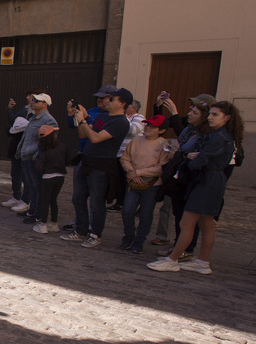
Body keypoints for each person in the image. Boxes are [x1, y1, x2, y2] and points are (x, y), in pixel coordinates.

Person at [148, 101, 243, 274]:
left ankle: (173, 260)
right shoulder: (219, 135)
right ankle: (202, 262)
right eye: (210, 114)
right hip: (209, 181)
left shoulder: (220, 137)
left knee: (187, 223)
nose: (210, 117)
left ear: (227, 118)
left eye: (215, 114)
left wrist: (193, 158)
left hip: (208, 182)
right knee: (206, 223)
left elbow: (201, 160)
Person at [62, 87, 132, 247]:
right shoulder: (103, 116)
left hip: (102, 165)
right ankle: (80, 230)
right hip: (86, 160)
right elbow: (83, 134)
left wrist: (84, 120)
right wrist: (79, 117)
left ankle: (95, 234)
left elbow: (95, 138)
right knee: (78, 198)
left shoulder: (121, 122)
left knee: (96, 202)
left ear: (123, 104)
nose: (107, 101)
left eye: (112, 99)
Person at [119, 114, 175, 253]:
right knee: (127, 211)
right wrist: (132, 172)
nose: (148, 128)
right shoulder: (136, 141)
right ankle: (129, 236)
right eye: (147, 124)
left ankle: (139, 240)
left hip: (152, 185)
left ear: (161, 130)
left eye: (153, 126)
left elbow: (162, 167)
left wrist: (140, 173)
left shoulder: (165, 144)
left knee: (145, 213)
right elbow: (125, 159)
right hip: (133, 182)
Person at [17, 93, 58, 224]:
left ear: (44, 104)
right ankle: (32, 209)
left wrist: (36, 157)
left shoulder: (48, 120)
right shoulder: (34, 117)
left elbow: (49, 142)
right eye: (33, 100)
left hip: (35, 158)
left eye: (36, 101)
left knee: (37, 186)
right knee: (31, 185)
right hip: (27, 156)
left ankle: (37, 213)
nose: (33, 102)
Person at [33, 125, 66, 233]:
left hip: (48, 176)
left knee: (45, 200)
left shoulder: (43, 149)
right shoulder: (61, 146)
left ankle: (43, 224)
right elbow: (67, 160)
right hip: (60, 176)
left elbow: (39, 166)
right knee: (53, 200)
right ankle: (54, 223)